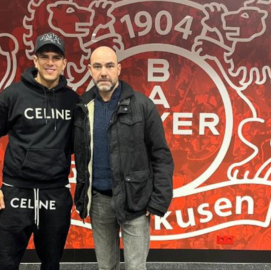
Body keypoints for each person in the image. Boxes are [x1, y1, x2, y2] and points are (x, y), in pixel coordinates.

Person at [0, 32, 79, 270]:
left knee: (51, 264)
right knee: (5, 265)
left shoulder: (73, 101)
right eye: (44, 56)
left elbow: (81, 146)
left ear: (64, 63)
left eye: (56, 57)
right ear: (35, 60)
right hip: (15, 192)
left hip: (55, 193)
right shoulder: (13, 96)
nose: (50, 62)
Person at [73, 46, 174, 270]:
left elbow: (161, 156)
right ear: (90, 70)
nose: (104, 72)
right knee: (106, 266)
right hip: (99, 201)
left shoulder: (143, 106)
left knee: (136, 267)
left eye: (109, 66)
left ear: (118, 68)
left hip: (135, 201)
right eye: (97, 67)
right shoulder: (82, 107)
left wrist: (158, 200)